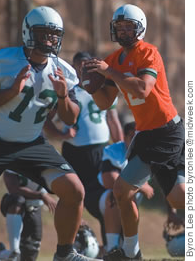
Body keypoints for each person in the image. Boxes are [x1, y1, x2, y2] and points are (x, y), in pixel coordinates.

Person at [0, 6, 103, 261]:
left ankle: (65, 254)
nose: (49, 40)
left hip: (31, 142)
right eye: (43, 34)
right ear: (28, 33)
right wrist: (10, 92)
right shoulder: (1, 61)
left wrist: (62, 95)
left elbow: (70, 118)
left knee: (75, 190)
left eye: (54, 35)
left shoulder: (64, 72)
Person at [84, 4, 185, 260]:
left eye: (129, 27)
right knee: (121, 191)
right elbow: (105, 102)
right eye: (120, 27)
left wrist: (108, 72)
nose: (124, 31)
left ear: (140, 29)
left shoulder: (148, 52)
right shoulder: (113, 59)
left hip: (167, 132)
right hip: (145, 134)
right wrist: (92, 86)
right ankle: (131, 252)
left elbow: (142, 89)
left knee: (180, 199)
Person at [44, 51, 124, 256]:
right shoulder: (69, 91)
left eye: (86, 66)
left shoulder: (104, 87)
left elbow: (113, 120)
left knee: (108, 199)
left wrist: (122, 148)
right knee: (72, 197)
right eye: (78, 67)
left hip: (102, 151)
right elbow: (46, 119)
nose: (82, 71)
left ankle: (112, 246)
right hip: (76, 152)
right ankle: (71, 246)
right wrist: (61, 135)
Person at [98, 122, 154, 253]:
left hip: (132, 199)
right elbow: (109, 180)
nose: (134, 137)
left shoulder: (148, 150)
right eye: (131, 134)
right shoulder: (114, 150)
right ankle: (111, 248)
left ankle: (129, 249)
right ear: (126, 135)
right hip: (103, 195)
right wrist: (141, 185)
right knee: (114, 195)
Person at [0, 170, 57, 261]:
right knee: (17, 200)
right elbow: (13, 189)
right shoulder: (15, 159)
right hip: (16, 204)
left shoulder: (47, 160)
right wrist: (41, 196)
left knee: (30, 253)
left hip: (35, 206)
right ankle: (14, 251)